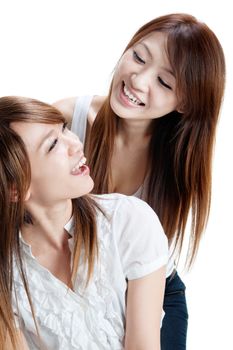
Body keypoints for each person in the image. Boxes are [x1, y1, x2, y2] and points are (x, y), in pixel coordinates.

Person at [54, 13, 226, 350]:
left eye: (164, 82)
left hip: (155, 291)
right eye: (138, 56)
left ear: (186, 102)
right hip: (80, 287)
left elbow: (144, 271)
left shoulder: (177, 161)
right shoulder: (66, 120)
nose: (138, 80)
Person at [0, 96, 168, 349]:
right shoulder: (7, 274)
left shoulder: (129, 220)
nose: (76, 144)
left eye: (65, 128)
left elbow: (143, 345)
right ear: (15, 189)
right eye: (53, 144)